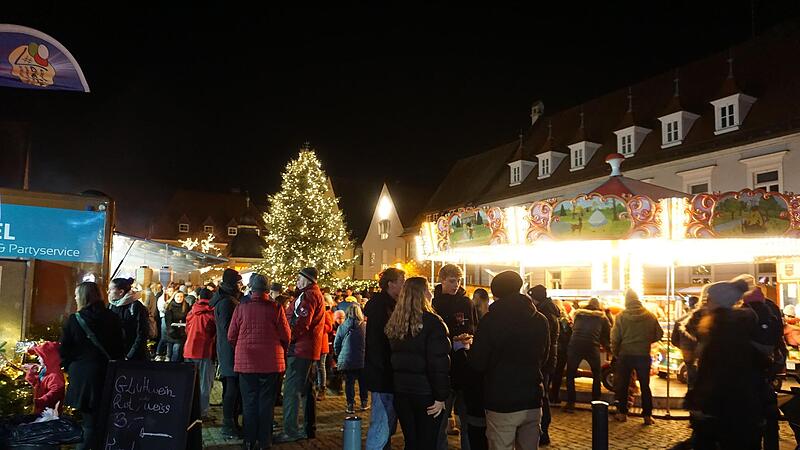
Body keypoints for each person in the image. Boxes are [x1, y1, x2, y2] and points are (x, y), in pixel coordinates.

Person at [470, 271, 549, 450]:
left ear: (496, 294)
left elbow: (478, 362)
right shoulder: (540, 320)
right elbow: (544, 358)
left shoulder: (490, 321)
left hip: (501, 400)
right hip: (531, 398)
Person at [685, 278, 767, 449]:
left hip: (726, 407)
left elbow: (713, 371)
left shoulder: (721, 329)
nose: (706, 302)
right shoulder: (733, 325)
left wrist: (699, 400)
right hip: (741, 407)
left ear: (719, 301)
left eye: (710, 298)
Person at [385, 277, 450, 450]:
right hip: (426, 393)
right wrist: (440, 396)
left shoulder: (395, 322)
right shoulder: (433, 323)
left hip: (402, 391)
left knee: (411, 441)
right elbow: (438, 364)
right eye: (427, 290)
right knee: (427, 442)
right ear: (422, 294)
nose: (430, 293)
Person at [228, 273, 291, 450]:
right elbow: (286, 335)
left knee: (248, 403)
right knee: (266, 403)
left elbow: (231, 335)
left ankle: (249, 440)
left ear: (251, 288)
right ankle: (265, 441)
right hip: (271, 363)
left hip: (246, 362)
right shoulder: (276, 308)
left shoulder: (241, 308)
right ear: (267, 290)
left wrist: (240, 348)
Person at [60, 282, 125, 450]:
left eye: (76, 295)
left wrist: (70, 368)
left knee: (89, 423)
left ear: (83, 297)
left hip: (83, 378)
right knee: (102, 421)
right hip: (108, 374)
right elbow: (120, 347)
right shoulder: (112, 318)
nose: (75, 297)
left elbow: (65, 349)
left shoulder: (75, 319)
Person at [275, 267, 326, 443]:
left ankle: (290, 430)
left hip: (299, 350)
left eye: (299, 278)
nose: (297, 280)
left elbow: (301, 323)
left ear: (307, 279)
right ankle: (309, 427)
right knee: (306, 389)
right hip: (309, 349)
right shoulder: (314, 294)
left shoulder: (307, 296)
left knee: (292, 390)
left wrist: (288, 339)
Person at [432, 264, 477, 450]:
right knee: (441, 420)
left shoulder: (466, 303)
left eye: (458, 280)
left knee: (467, 419)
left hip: (464, 366)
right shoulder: (435, 303)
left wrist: (468, 337)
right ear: (442, 280)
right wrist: (451, 339)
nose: (456, 285)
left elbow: (473, 327)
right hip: (444, 368)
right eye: (452, 281)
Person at [740, 281, 785, 450]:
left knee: (751, 420)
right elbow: (778, 337)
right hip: (768, 369)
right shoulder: (772, 309)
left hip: (750, 372)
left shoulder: (743, 313)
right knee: (769, 417)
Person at [363, 267, 405, 450]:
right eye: (401, 282)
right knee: (381, 421)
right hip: (383, 373)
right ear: (391, 284)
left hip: (384, 371)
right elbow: (380, 343)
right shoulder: (383, 308)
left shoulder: (387, 305)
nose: (403, 286)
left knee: (385, 420)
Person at [610, 289, 663, 424]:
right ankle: (647, 416)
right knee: (645, 386)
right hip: (643, 355)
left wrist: (616, 352)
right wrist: (645, 340)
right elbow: (659, 334)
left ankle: (622, 413)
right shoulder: (650, 316)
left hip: (625, 354)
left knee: (624, 385)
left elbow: (615, 337)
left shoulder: (621, 316)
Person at [210, 268, 244, 439]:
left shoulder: (226, 299)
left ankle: (231, 422)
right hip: (230, 351)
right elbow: (228, 330)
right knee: (232, 388)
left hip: (227, 350)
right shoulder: (227, 302)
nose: (241, 285)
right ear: (232, 284)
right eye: (238, 282)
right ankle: (228, 424)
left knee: (230, 388)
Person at [564, 297, 610, 412]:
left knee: (570, 374)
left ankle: (570, 403)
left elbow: (573, 328)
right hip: (591, 346)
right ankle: (596, 402)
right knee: (596, 374)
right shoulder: (602, 318)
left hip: (575, 345)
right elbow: (606, 335)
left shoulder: (578, 315)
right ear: (598, 306)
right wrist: (609, 348)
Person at [527, 285, 559, 446]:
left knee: (542, 395)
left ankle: (543, 431)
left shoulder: (544, 315)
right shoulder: (551, 311)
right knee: (543, 394)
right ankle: (542, 430)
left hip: (544, 361)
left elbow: (543, 342)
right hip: (548, 359)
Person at [184, 288, 216, 418]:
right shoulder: (212, 313)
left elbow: (187, 330)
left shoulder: (192, 311)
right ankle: (202, 413)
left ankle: (189, 411)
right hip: (204, 351)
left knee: (191, 383)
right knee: (204, 385)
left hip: (189, 350)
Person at [334, 302, 368, 413]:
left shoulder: (342, 327)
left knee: (349, 383)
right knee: (363, 382)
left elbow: (337, 343)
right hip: (362, 359)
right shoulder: (365, 326)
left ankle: (350, 405)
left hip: (347, 359)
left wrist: (339, 355)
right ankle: (364, 402)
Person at [108, 277, 150, 361]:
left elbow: (142, 333)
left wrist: (130, 355)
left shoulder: (136, 307)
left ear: (121, 292)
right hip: (117, 354)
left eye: (111, 289)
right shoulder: (111, 305)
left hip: (134, 357)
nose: (108, 292)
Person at [25, 341, 65, 414]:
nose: (38, 359)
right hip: (41, 410)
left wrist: (42, 401)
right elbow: (35, 383)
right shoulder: (45, 371)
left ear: (48, 358)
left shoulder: (55, 375)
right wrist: (31, 372)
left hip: (49, 413)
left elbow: (56, 391)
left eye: (40, 356)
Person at [549, 299, 572, 404]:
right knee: (558, 374)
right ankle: (555, 395)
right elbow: (568, 336)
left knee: (550, 373)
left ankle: (548, 395)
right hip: (563, 350)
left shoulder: (550, 318)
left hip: (553, 348)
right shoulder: (565, 320)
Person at [315, 293, 334, 401]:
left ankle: (322, 387)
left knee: (320, 366)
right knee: (316, 367)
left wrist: (319, 329)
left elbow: (329, 327)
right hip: (314, 344)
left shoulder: (326, 314)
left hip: (322, 344)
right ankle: (317, 385)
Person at [164, 290, 190, 362]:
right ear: (174, 297)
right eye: (178, 296)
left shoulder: (186, 306)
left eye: (181, 296)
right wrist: (171, 331)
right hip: (171, 333)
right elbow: (168, 321)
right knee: (170, 353)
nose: (179, 298)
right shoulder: (170, 307)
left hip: (181, 334)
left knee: (177, 352)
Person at [155, 284, 175, 361]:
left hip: (170, 319)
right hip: (164, 318)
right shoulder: (162, 299)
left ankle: (168, 355)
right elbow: (162, 309)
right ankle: (158, 353)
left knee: (169, 337)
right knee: (164, 337)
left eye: (172, 291)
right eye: (169, 291)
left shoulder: (171, 299)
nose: (171, 292)